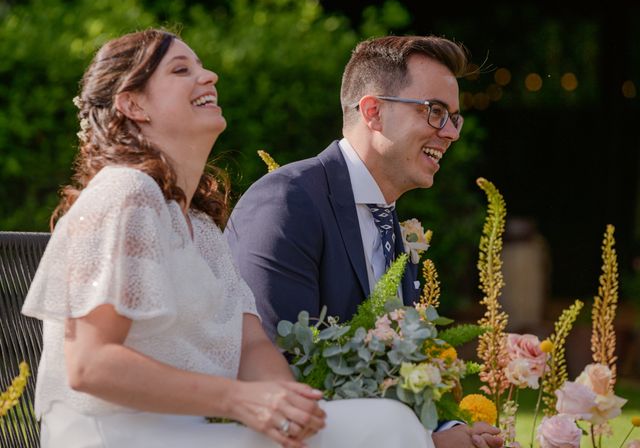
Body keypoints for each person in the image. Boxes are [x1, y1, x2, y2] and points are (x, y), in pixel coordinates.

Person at [21, 28, 450, 448]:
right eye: (180, 70)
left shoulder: (200, 227)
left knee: (387, 425)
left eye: (202, 67)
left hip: (189, 433)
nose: (209, 77)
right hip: (115, 435)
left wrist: (291, 411)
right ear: (133, 104)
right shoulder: (124, 193)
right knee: (389, 428)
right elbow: (89, 365)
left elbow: (251, 345)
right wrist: (241, 400)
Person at [226, 35, 504, 448]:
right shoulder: (288, 201)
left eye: (454, 118)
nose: (451, 133)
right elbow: (277, 366)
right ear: (373, 112)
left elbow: (394, 371)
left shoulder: (393, 223)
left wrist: (447, 428)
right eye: (435, 112)